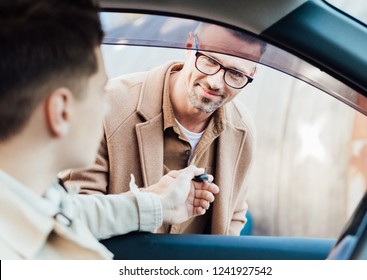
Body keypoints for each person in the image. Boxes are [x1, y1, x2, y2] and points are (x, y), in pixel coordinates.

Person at [0, 0, 219, 259]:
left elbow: (71, 212)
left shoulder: (33, 198)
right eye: (98, 93)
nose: (105, 108)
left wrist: (159, 204)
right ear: (61, 111)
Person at [61, 22, 266, 235]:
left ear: (252, 73)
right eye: (210, 61)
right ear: (189, 47)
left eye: (235, 74)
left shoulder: (242, 128)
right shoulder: (107, 105)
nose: (215, 82)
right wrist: (152, 201)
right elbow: (72, 214)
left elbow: (234, 215)